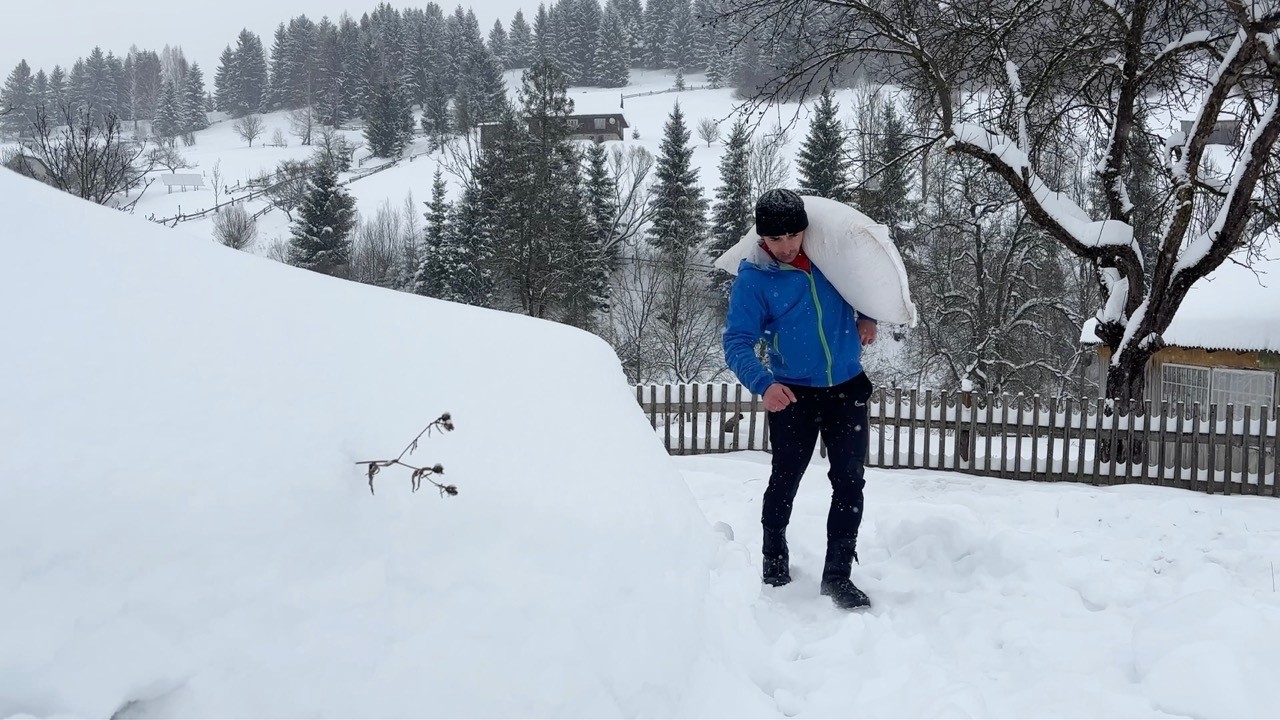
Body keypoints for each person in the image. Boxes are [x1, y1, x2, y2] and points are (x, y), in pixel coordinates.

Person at [722, 188, 877, 610]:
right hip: (793, 395)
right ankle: (774, 560)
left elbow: (863, 285)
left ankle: (838, 575)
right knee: (785, 479)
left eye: (795, 235)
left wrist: (867, 315)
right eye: (778, 239)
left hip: (847, 387)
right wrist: (763, 383)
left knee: (849, 482)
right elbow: (737, 342)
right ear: (762, 238)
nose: (788, 246)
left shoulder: (830, 260)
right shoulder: (754, 279)